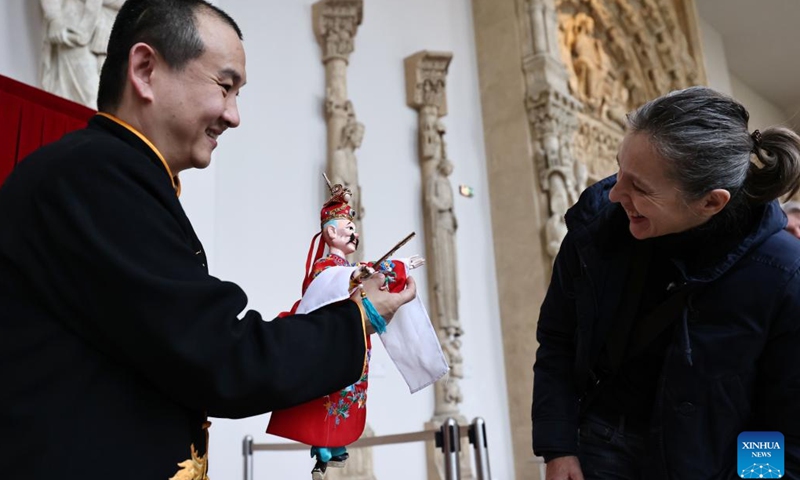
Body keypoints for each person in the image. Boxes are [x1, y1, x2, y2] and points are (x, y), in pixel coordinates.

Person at [0, 1, 416, 479]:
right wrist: (359, 316)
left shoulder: (119, 176)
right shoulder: (93, 177)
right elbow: (219, 355)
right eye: (225, 87)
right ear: (144, 69)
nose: (233, 116)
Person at [532, 86, 800, 479]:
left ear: (711, 202)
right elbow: (558, 338)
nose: (615, 194)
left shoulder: (784, 277)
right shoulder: (596, 227)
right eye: (619, 169)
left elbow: (784, 429)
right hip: (597, 448)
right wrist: (558, 446)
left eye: (639, 187)